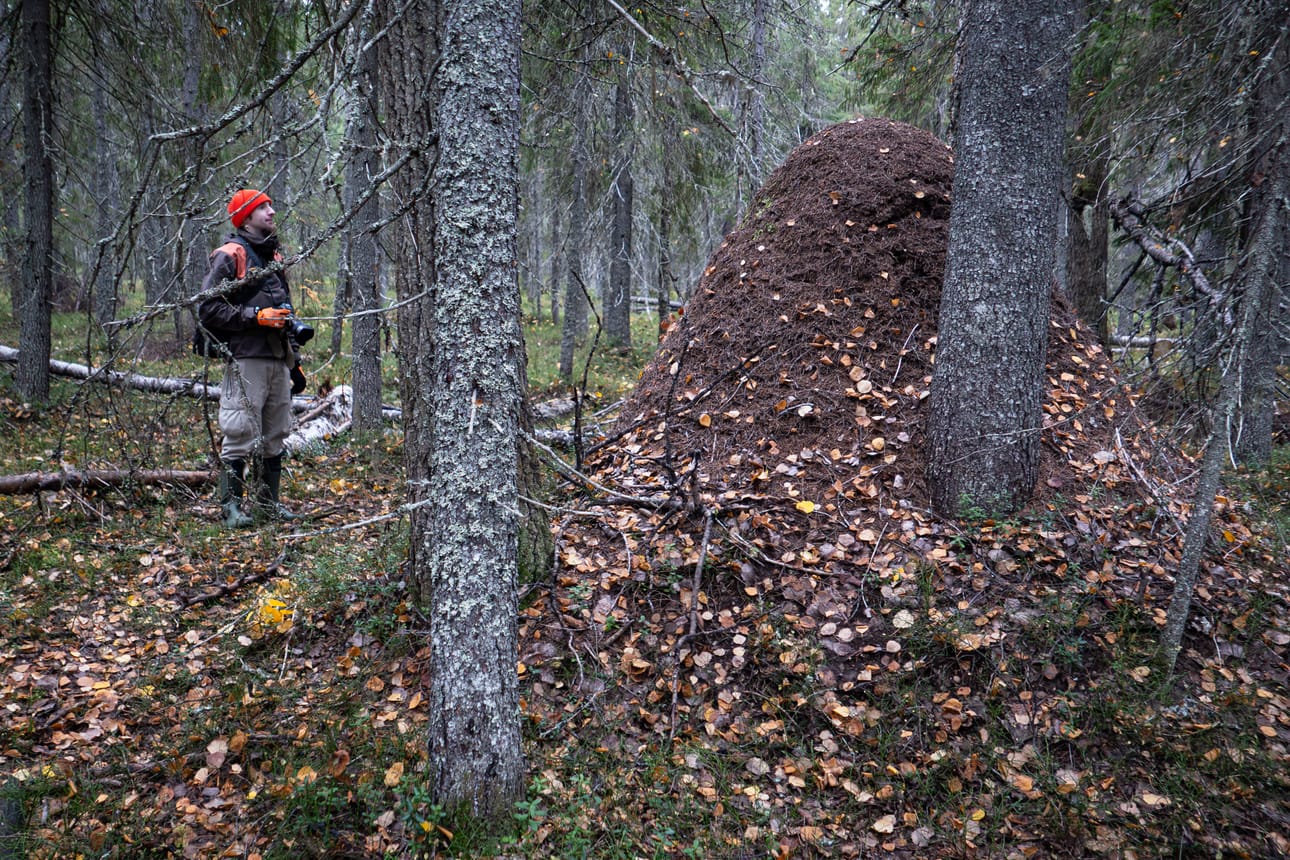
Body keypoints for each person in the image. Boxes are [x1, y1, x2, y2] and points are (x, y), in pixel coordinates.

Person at [198, 188, 308, 528]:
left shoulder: (274, 258)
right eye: (264, 208)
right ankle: (230, 509)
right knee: (239, 432)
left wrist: (296, 362)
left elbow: (285, 312)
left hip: (277, 358)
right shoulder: (230, 255)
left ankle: (266, 505)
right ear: (245, 217)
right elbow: (207, 308)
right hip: (246, 358)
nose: (272, 212)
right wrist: (255, 316)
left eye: (271, 206)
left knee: (275, 433)